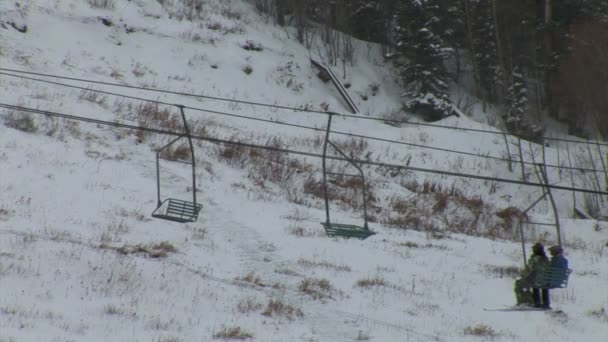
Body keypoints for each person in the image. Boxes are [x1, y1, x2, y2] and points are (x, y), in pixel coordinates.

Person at [514, 242, 549, 307]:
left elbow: (528, 269)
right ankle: (546, 303)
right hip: (546, 281)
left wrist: (523, 276)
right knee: (542, 284)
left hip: (535, 280)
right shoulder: (546, 259)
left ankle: (527, 302)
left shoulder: (534, 259)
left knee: (519, 283)